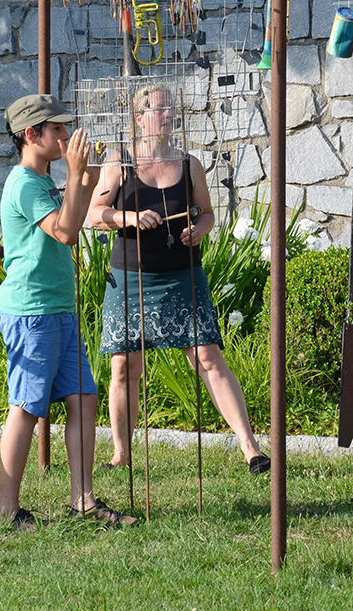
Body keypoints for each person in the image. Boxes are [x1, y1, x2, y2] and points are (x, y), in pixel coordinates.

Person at [87, 84, 269, 475]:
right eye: (161, 109)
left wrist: (199, 230)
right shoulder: (119, 162)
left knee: (208, 357)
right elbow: (95, 213)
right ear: (139, 118)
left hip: (182, 276)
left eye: (172, 109)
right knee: (124, 366)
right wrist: (130, 218)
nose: (169, 116)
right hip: (131, 279)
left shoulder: (190, 164)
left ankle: (251, 449)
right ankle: (121, 454)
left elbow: (207, 213)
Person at [0, 93, 134, 530]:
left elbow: (79, 203)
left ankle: (83, 500)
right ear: (31, 135)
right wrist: (75, 175)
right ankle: (5, 509)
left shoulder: (43, 182)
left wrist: (90, 172)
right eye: (56, 129)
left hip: (57, 309)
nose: (65, 135)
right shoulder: (23, 183)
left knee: (83, 398)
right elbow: (66, 232)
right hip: (31, 312)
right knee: (26, 407)